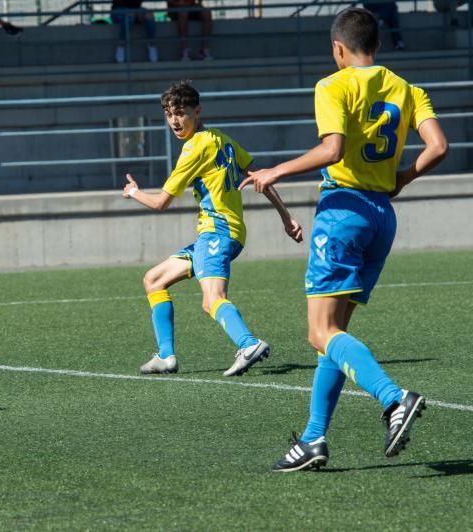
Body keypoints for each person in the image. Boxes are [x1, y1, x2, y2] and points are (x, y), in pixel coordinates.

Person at [240, 8, 448, 471]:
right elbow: (438, 147)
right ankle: (314, 438)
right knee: (334, 334)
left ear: (338, 48)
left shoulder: (333, 85)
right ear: (376, 44)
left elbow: (331, 149)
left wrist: (274, 170)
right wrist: (402, 177)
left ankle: (394, 400)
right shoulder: (408, 89)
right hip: (381, 216)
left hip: (343, 213)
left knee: (319, 332)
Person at [122, 80, 303, 377]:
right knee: (154, 280)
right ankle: (166, 356)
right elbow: (258, 177)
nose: (174, 121)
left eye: (180, 112)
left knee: (212, 299)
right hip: (224, 234)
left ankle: (248, 343)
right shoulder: (222, 139)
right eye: (169, 114)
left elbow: (160, 203)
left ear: (197, 111)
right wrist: (286, 217)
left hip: (217, 233)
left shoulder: (194, 148)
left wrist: (133, 193)